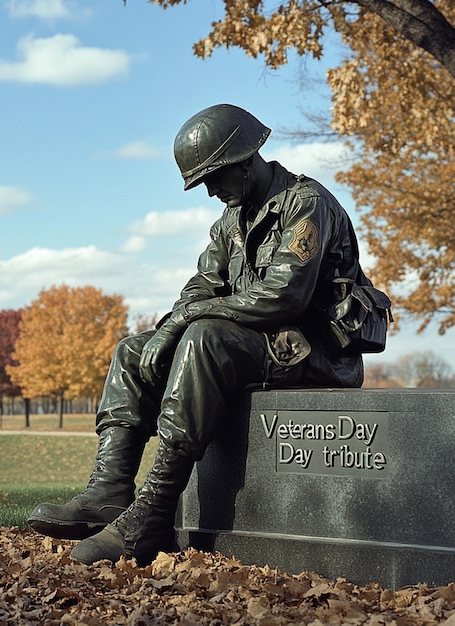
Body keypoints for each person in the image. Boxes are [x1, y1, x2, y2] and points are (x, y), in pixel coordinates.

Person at [28, 103, 372, 565]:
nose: (210, 191)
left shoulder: (307, 204)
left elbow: (282, 297)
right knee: (134, 350)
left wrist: (184, 323)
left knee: (203, 336)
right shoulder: (232, 221)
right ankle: (108, 491)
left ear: (245, 162)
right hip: (255, 346)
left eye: (214, 177)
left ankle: (152, 514)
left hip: (313, 354)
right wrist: (168, 327)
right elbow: (201, 287)